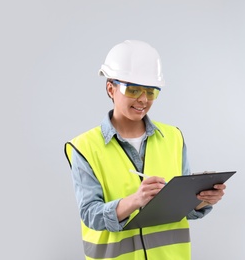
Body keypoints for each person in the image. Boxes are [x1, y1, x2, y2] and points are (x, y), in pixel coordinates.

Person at [64, 40, 227, 260]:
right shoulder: (85, 147)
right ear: (110, 88)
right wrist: (135, 200)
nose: (143, 99)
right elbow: (90, 214)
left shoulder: (173, 138)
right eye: (133, 90)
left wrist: (203, 200)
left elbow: (183, 210)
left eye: (151, 92)